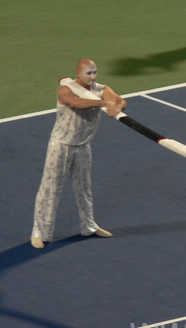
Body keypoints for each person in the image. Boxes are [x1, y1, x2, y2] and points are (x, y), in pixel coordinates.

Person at [30, 59, 127, 249]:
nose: (92, 76)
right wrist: (103, 102)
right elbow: (77, 103)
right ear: (78, 74)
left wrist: (117, 106)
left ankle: (89, 227)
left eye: (95, 72)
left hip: (83, 146)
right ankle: (39, 232)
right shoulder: (65, 90)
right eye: (88, 73)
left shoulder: (101, 88)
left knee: (84, 188)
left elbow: (120, 100)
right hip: (60, 147)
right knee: (50, 190)